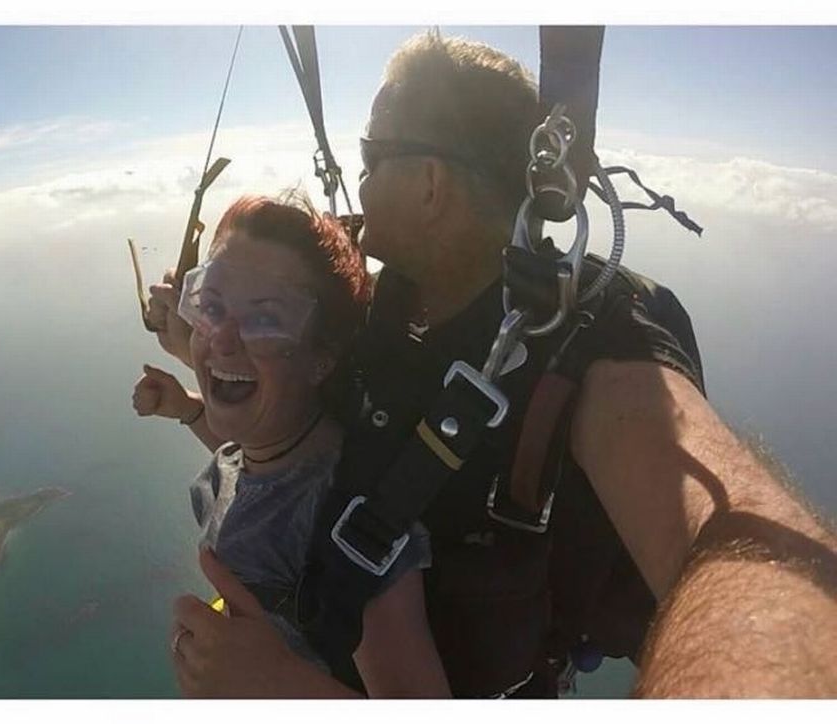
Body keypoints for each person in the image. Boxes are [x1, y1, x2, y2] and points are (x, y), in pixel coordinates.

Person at [147, 32, 837, 698]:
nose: (358, 182)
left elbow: (744, 549)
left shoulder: (595, 354)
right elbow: (293, 387)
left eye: (370, 157)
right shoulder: (394, 302)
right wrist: (199, 342)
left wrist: (278, 689)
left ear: (429, 183)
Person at [133, 193, 450, 697]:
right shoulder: (268, 446)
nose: (220, 340)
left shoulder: (352, 532)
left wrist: (278, 682)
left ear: (322, 357)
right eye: (210, 306)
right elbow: (264, 474)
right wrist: (189, 409)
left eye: (264, 319)